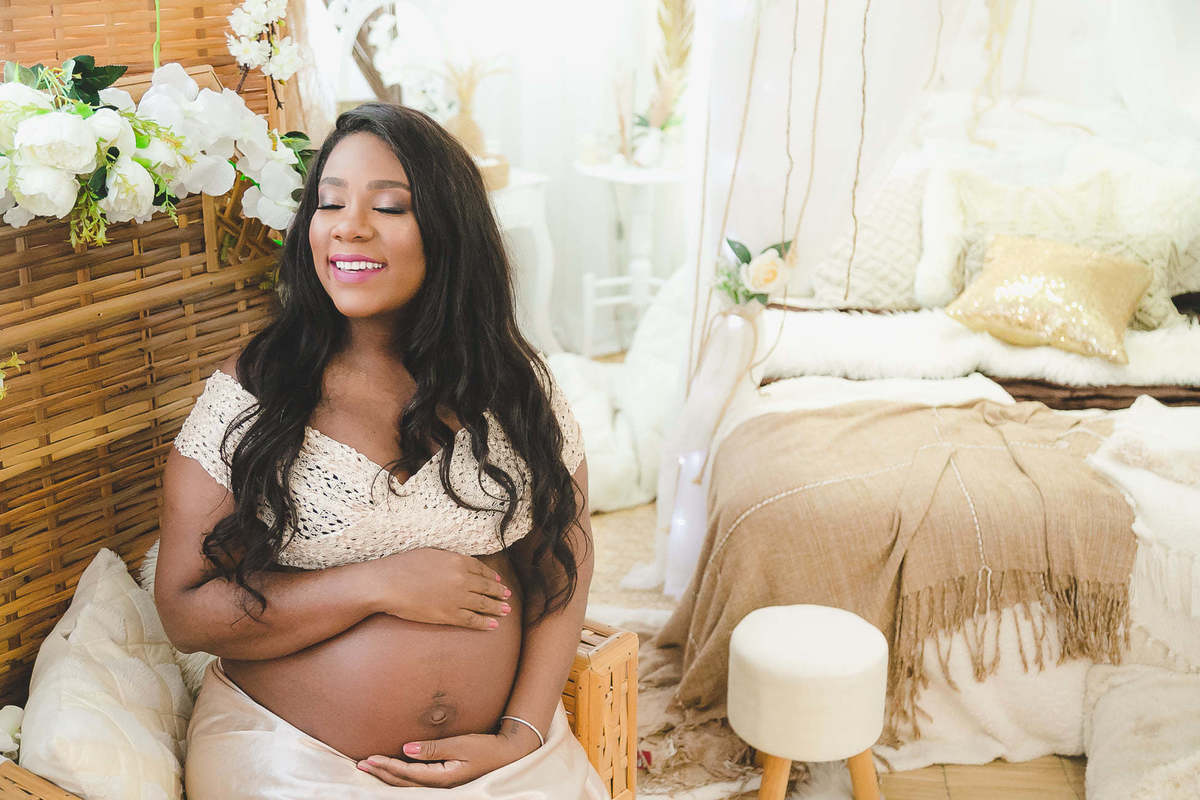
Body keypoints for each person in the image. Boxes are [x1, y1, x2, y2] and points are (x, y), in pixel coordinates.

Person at [155, 103, 607, 799]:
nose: (349, 226)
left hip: (501, 766)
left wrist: (521, 733)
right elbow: (185, 613)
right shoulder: (254, 394)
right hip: (289, 759)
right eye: (330, 203)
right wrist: (375, 584)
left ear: (449, 230)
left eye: (389, 206)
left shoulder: (516, 388)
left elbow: (562, 567)